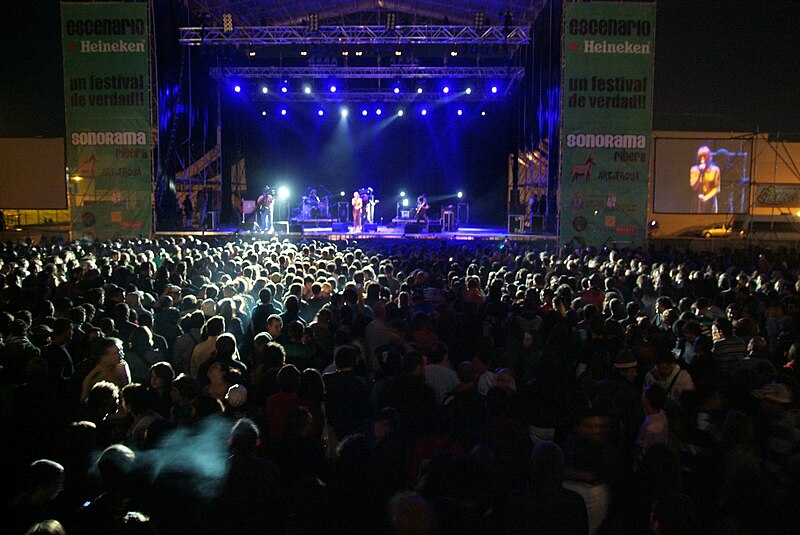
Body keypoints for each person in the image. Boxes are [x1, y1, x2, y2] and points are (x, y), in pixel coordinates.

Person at [689, 145, 720, 213]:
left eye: (705, 156)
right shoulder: (694, 169)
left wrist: (706, 198)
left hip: (710, 202)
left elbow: (717, 188)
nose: (702, 159)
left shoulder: (715, 170)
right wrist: (700, 173)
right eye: (700, 156)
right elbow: (694, 187)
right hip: (697, 202)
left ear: (709, 157)